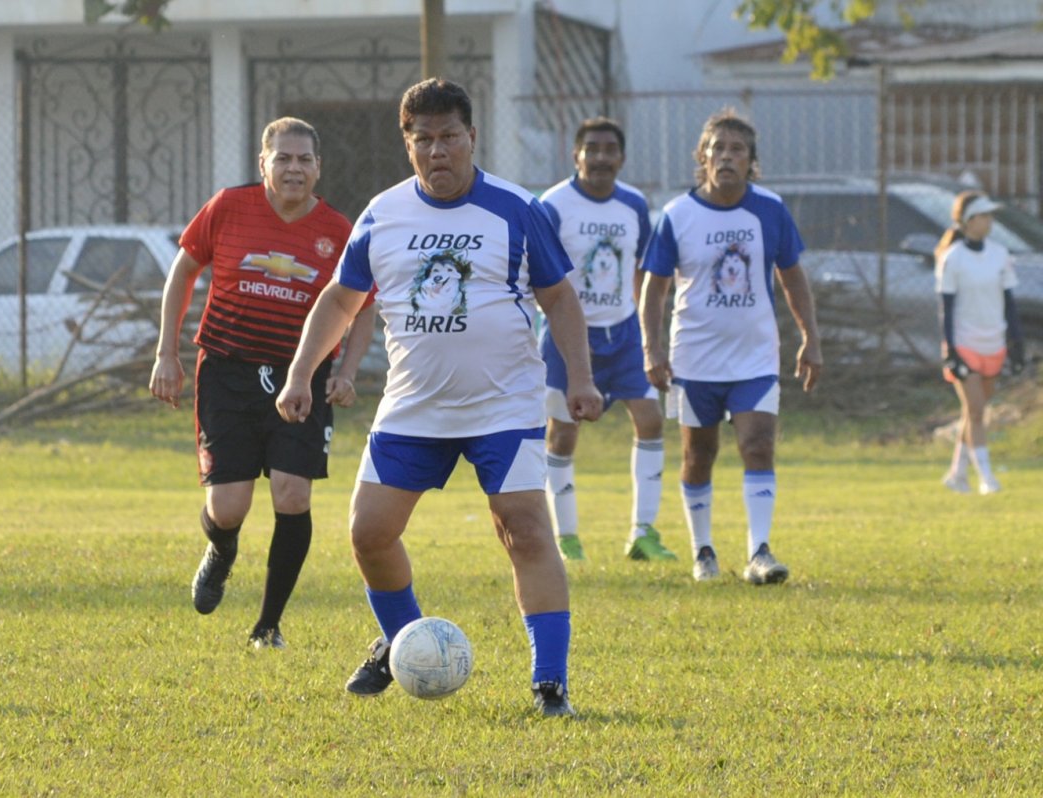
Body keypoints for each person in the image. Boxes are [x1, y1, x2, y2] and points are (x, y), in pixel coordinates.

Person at [276, 78, 602, 717]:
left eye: (449, 137)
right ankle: (405, 644)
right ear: (408, 144)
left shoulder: (517, 208)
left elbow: (559, 297)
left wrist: (581, 379)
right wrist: (299, 373)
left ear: (471, 137)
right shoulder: (382, 214)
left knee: (527, 531)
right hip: (414, 406)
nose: (437, 151)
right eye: (422, 139)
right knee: (369, 533)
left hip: (501, 405)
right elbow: (342, 300)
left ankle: (549, 683)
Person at [149, 116, 376, 649]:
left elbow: (365, 305)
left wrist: (345, 371)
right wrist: (167, 353)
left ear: (318, 169)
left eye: (304, 160)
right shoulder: (228, 206)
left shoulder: (339, 231)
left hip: (303, 377)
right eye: (283, 158)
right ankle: (222, 550)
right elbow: (183, 272)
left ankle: (267, 625)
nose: (293, 168)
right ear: (263, 164)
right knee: (229, 507)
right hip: (227, 369)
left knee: (292, 495)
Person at [640, 108, 822, 585]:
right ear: (703, 157)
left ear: (751, 161)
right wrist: (652, 349)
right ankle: (703, 551)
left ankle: (759, 552)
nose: (726, 156)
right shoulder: (678, 215)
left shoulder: (770, 209)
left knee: (758, 445)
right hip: (694, 359)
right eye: (717, 148)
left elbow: (793, 278)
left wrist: (810, 338)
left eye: (736, 149)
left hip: (754, 356)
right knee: (699, 455)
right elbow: (654, 288)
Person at [538, 117, 675, 564]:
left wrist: (644, 330)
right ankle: (567, 539)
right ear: (575, 155)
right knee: (562, 433)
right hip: (568, 338)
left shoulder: (634, 204)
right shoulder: (554, 205)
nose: (600, 157)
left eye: (609, 149)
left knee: (652, 420)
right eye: (591, 149)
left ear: (621, 157)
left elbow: (641, 268)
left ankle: (643, 534)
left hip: (625, 336)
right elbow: (538, 274)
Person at [935, 189, 1025, 495]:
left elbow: (1009, 303)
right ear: (969, 221)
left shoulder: (1000, 255)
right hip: (965, 344)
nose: (989, 221)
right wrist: (951, 350)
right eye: (983, 216)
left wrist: (1017, 343)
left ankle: (956, 474)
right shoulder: (953, 258)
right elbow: (945, 308)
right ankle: (987, 477)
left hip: (993, 343)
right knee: (975, 411)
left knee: (974, 412)